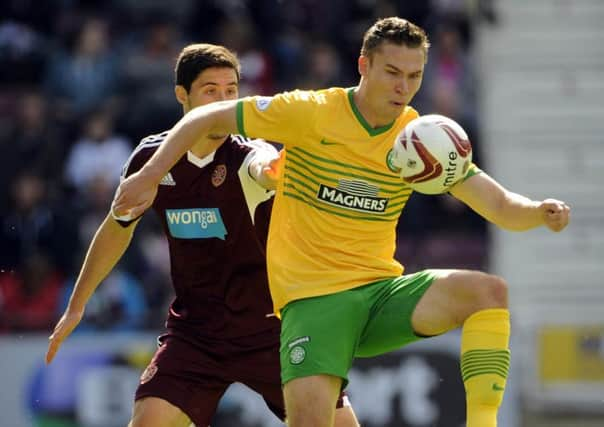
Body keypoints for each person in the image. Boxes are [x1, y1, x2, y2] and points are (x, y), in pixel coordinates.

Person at [112, 18, 571, 427]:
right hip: (313, 304)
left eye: (414, 77)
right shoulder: (312, 113)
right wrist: (151, 174)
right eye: (392, 72)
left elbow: (497, 204)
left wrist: (538, 211)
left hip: (380, 293)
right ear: (364, 65)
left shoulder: (420, 139)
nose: (403, 87)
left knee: (488, 292)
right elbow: (209, 115)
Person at [46, 43, 359, 427]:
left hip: (273, 331)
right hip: (197, 333)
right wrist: (77, 305)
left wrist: (280, 168)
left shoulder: (247, 153)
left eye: (231, 91)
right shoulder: (151, 160)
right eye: (211, 91)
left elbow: (265, 168)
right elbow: (117, 226)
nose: (223, 102)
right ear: (182, 95)